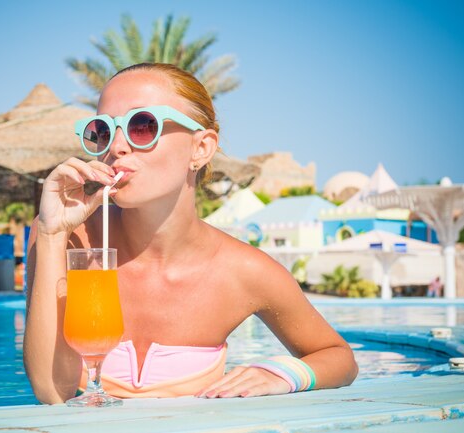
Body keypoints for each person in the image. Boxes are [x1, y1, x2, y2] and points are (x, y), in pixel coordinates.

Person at [23, 63, 358, 403]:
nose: (117, 147)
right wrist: (51, 235)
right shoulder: (66, 237)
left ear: (201, 148)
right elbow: (53, 392)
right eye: (104, 131)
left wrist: (281, 374)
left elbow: (339, 357)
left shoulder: (245, 272)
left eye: (142, 125)